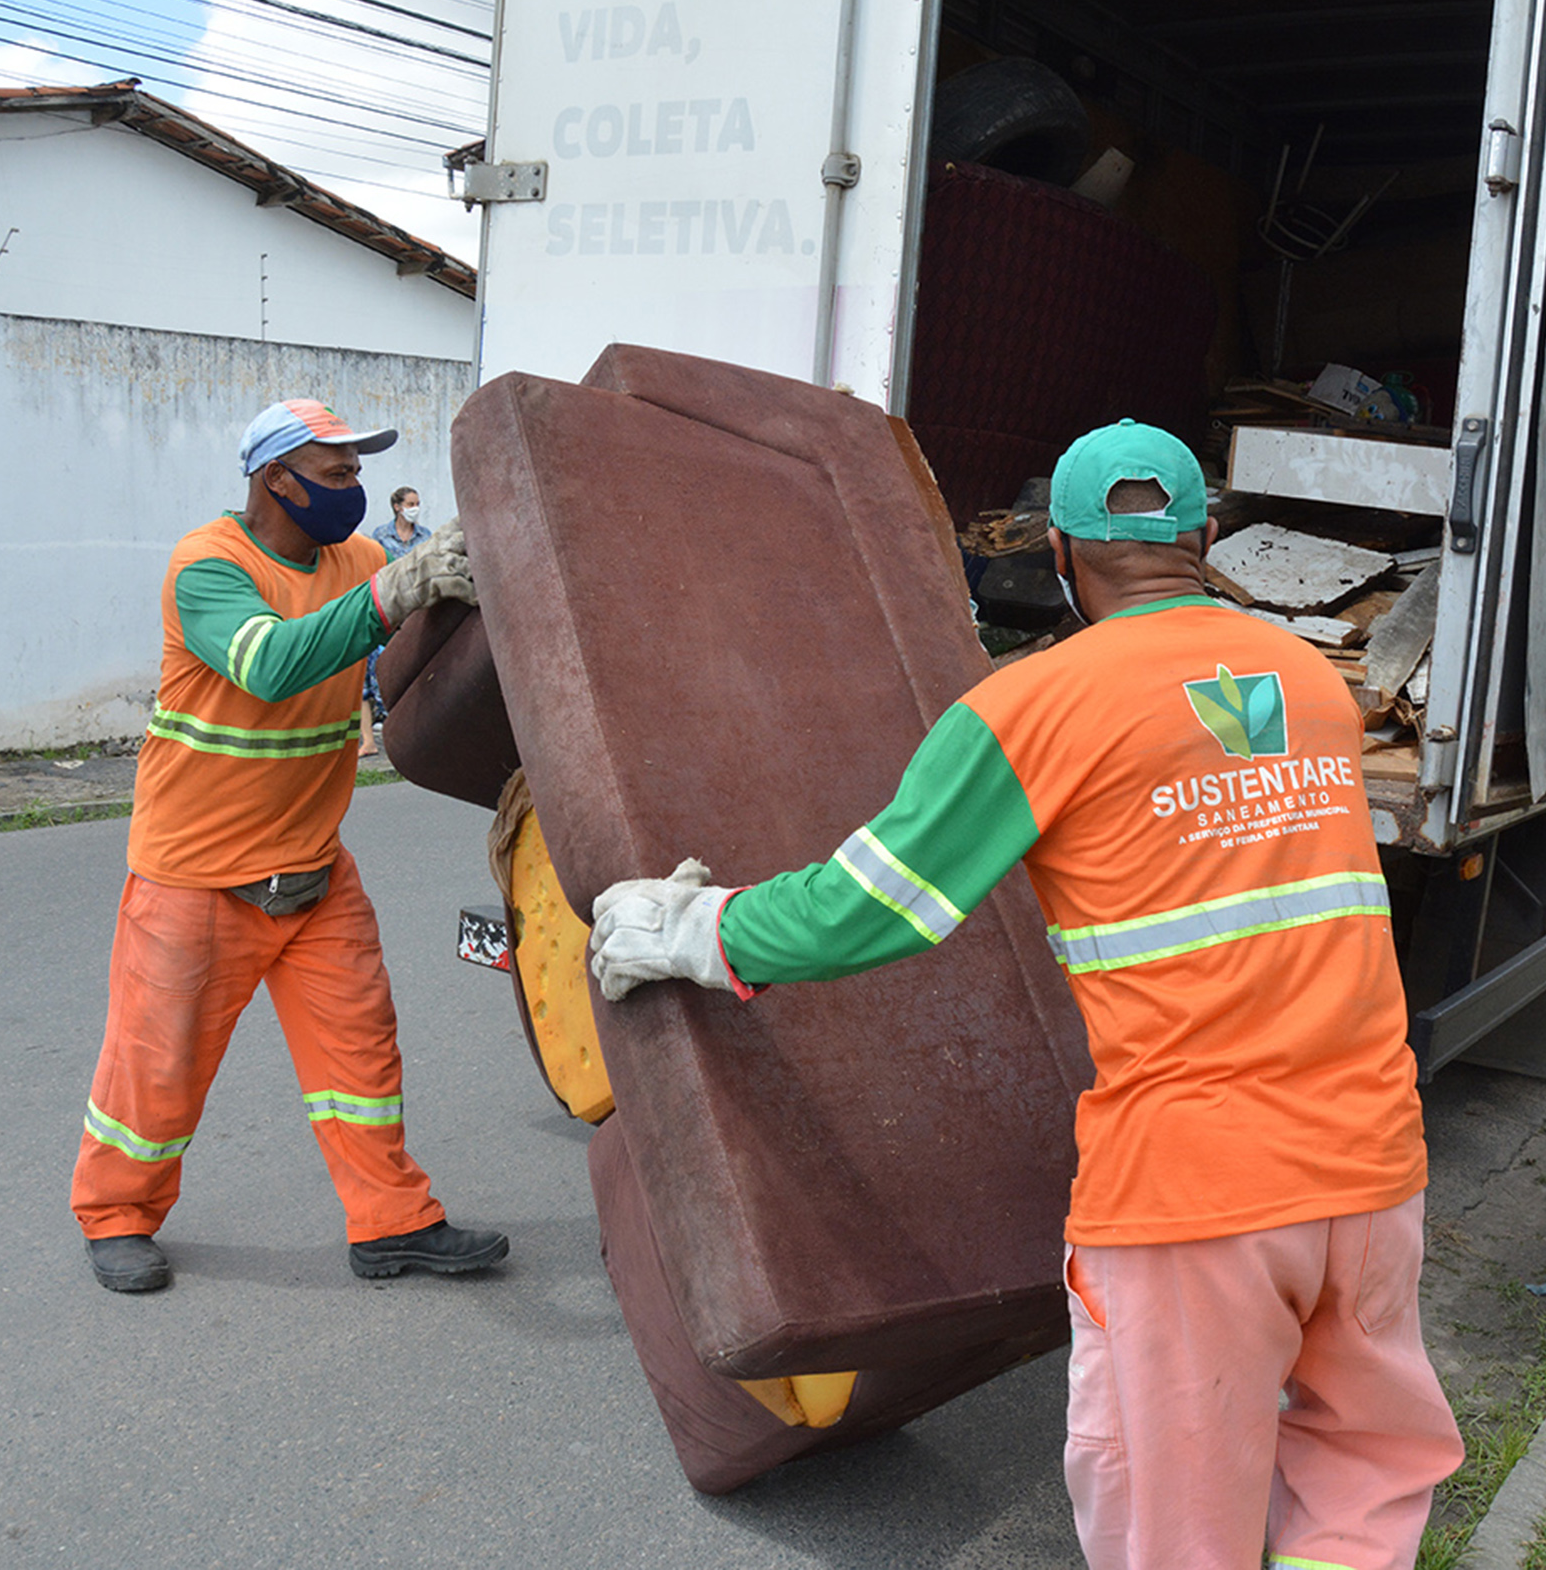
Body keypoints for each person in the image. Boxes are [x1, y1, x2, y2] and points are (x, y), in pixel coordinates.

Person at [587, 420, 1463, 1569]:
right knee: (1362, 1478)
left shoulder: (1034, 707)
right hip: (1371, 1168)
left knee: (1172, 1523)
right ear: (1206, 536)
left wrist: (693, 930)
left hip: (1194, 1197)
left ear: (1057, 550)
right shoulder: (1308, 683)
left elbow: (870, 909)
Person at [72, 398, 507, 1295]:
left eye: (357, 472)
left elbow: (413, 602)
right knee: (156, 1068)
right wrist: (398, 588)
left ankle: (393, 1223)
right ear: (277, 478)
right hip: (195, 878)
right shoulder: (209, 566)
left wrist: (482, 546)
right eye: (338, 473)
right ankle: (116, 1215)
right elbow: (271, 663)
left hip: (313, 868)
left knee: (361, 1060)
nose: (356, 489)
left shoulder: (353, 557)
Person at [357, 486, 430, 757]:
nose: (415, 508)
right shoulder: (380, 537)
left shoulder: (425, 537)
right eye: (411, 503)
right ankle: (376, 733)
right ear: (398, 506)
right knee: (378, 670)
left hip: (415, 610)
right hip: (390, 610)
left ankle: (411, 728)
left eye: (418, 503)